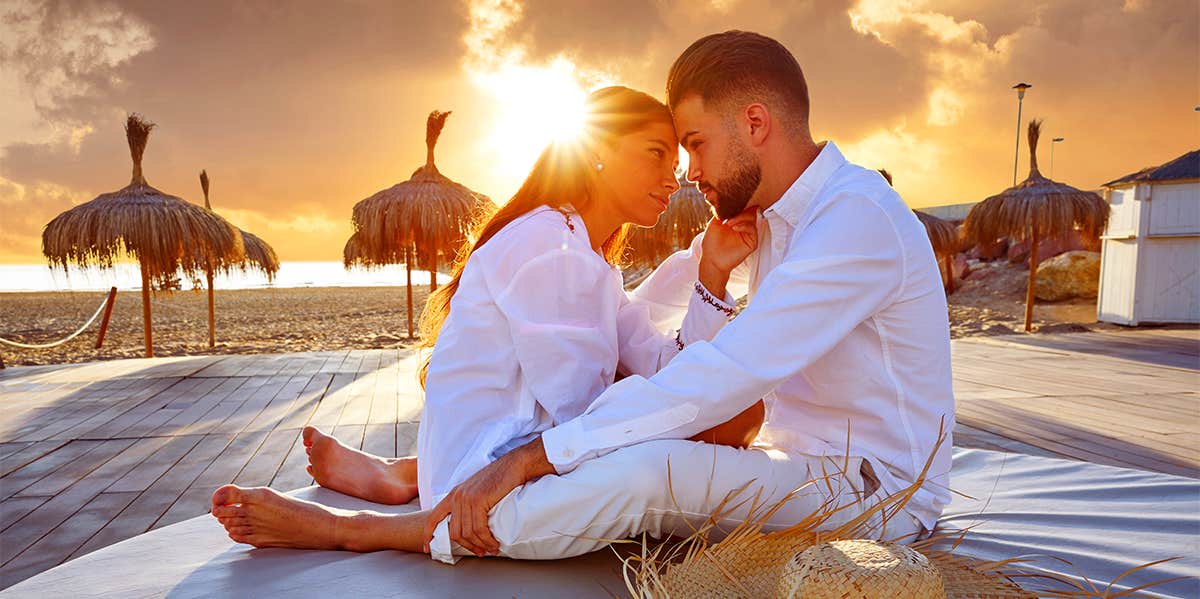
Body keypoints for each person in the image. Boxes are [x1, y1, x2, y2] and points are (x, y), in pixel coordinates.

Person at [414, 30, 956, 561]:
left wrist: (531, 459)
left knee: (649, 473)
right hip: (794, 461)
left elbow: (728, 368)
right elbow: (653, 304)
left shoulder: (855, 216)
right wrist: (710, 275)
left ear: (754, 122)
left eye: (695, 145)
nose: (689, 174)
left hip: (876, 493)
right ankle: (421, 497)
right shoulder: (771, 217)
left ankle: (408, 533)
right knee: (644, 443)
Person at [209, 85, 763, 551]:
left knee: (725, 415)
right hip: (485, 485)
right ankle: (353, 529)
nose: (677, 176)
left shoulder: (589, 260)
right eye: (656, 154)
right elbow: (581, 414)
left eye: (677, 159)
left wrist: (711, 278)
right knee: (657, 467)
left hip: (504, 455)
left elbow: (673, 370)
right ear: (597, 151)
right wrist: (684, 414)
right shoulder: (550, 246)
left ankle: (405, 475)